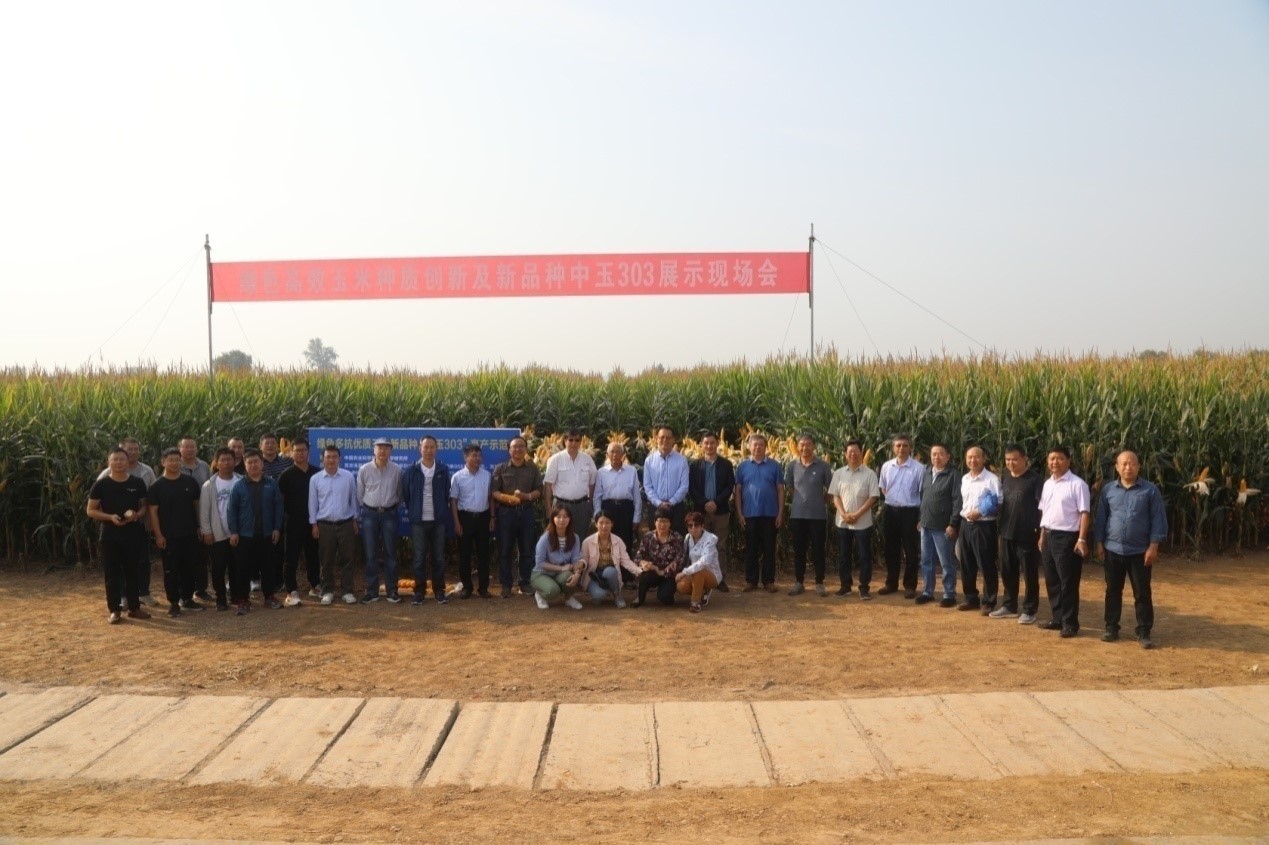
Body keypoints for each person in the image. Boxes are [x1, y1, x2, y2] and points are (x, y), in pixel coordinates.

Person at [1095, 449, 1168, 649]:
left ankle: (1144, 631)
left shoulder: (1150, 490)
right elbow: (1101, 517)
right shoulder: (1108, 490)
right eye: (1124, 464)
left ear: (1139, 467)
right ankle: (1111, 627)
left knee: (1142, 593)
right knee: (1112, 591)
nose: (1128, 467)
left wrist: (1153, 546)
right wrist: (1099, 542)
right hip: (1113, 550)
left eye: (1132, 463)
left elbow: (1158, 519)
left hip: (1140, 552)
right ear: (1117, 467)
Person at [87, 446, 151, 623]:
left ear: (127, 461)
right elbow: (90, 510)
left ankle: (134, 608)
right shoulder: (101, 485)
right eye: (114, 459)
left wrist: (136, 515)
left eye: (122, 459)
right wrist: (109, 517)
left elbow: (144, 506)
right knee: (111, 573)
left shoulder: (137, 483)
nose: (118, 462)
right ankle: (114, 610)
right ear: (109, 462)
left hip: (133, 534)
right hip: (110, 536)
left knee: (133, 571)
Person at [1038, 445, 1092, 638]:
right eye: (1052, 458)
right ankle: (1057, 618)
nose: (1055, 462)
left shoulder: (1077, 484)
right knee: (1052, 580)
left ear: (1068, 461)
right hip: (1049, 536)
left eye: (1060, 458)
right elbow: (1045, 511)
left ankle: (1070, 623)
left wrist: (1082, 539)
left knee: (1067, 582)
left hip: (1067, 538)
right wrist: (1042, 536)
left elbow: (1084, 513)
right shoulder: (1047, 484)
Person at [97, 437, 158, 607]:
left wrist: (142, 517)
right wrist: (109, 517)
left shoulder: (146, 471)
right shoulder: (106, 474)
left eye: (135, 449)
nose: (132, 452)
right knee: (120, 564)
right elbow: (96, 501)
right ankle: (123, 596)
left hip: (140, 524)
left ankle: (144, 593)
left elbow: (152, 498)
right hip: (114, 528)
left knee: (143, 560)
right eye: (129, 449)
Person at [148, 447, 205, 617]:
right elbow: (153, 512)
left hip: (189, 534)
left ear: (181, 462)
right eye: (170, 460)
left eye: (177, 460)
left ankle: (187, 598)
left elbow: (196, 505)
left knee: (189, 567)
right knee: (171, 570)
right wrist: (158, 535)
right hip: (169, 536)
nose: (174, 463)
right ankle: (173, 602)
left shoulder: (190, 482)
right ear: (163, 462)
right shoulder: (157, 486)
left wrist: (199, 526)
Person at [226, 449, 284, 615]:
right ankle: (243, 600)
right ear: (245, 465)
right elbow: (231, 510)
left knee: (268, 567)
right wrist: (234, 531)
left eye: (256, 462)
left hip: (266, 534)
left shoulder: (271, 484)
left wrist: (276, 528)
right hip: (244, 535)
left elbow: (278, 507)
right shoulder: (238, 486)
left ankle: (269, 597)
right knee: (243, 568)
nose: (253, 465)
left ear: (262, 463)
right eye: (249, 462)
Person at [993, 444, 1043, 623]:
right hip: (1006, 532)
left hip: (1027, 534)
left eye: (1014, 459)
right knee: (1007, 570)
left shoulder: (1035, 480)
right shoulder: (1005, 479)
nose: (1011, 463)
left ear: (1024, 459)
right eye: (1007, 460)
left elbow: (1042, 507)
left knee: (1029, 573)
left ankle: (1029, 610)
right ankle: (1009, 605)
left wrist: (1040, 532)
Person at [401, 435, 451, 605]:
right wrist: (416, 511)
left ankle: (439, 591)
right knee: (419, 558)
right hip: (419, 522)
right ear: (420, 448)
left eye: (432, 447)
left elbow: (446, 494)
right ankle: (419, 591)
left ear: (436, 449)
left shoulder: (443, 470)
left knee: (438, 558)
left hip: (438, 522)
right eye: (426, 447)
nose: (429, 450)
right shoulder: (411, 470)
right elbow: (406, 495)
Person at [492, 436, 543, 598]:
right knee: (505, 550)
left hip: (526, 511)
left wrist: (527, 496)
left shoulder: (532, 468)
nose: (518, 449)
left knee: (526, 550)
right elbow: (494, 491)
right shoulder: (501, 468)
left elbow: (539, 490)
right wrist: (507, 498)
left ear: (526, 449)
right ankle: (506, 585)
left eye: (521, 446)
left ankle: (524, 583)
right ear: (509, 450)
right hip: (506, 513)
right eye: (514, 447)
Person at [309, 444, 360, 606]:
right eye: (328, 457)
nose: (331, 460)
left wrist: (355, 519)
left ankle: (347, 591)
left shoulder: (348, 476)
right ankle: (327, 591)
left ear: (339, 459)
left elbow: (353, 499)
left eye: (334, 457)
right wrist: (313, 524)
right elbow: (312, 504)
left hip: (346, 524)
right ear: (323, 459)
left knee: (348, 559)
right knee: (326, 560)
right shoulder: (315, 479)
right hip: (324, 525)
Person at [829, 440, 879, 599]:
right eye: (850, 452)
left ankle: (864, 587)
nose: (853, 454)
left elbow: (873, 497)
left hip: (862, 522)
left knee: (864, 556)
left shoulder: (869, 474)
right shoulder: (839, 473)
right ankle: (845, 586)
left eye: (856, 451)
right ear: (845, 454)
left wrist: (857, 514)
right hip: (843, 522)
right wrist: (843, 514)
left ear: (861, 453)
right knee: (844, 555)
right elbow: (835, 496)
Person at [735, 432, 785, 592]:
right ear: (749, 447)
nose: (758, 447)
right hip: (749, 514)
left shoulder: (775, 466)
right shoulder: (742, 466)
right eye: (755, 445)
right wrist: (739, 513)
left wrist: (780, 513)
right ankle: (751, 581)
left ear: (766, 447)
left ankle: (768, 581)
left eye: (761, 445)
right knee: (751, 549)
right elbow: (738, 491)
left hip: (770, 514)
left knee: (769, 548)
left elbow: (780, 489)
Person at [785, 433, 832, 596]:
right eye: (802, 445)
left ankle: (819, 583)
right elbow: (790, 487)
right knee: (799, 550)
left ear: (814, 446)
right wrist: (800, 500)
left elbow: (830, 489)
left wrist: (820, 501)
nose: (805, 448)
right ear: (798, 446)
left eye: (808, 444)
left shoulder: (823, 466)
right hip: (797, 515)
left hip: (818, 516)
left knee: (818, 549)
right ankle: (799, 582)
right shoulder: (792, 466)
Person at [358, 436, 404, 603]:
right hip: (369, 514)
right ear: (374, 450)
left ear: (391, 451)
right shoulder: (364, 469)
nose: (383, 451)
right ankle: (372, 591)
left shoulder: (397, 470)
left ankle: (392, 590)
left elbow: (400, 494)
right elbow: (360, 495)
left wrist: (389, 507)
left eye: (386, 448)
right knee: (371, 553)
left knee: (391, 553)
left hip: (389, 514)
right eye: (379, 447)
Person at [688, 432, 735, 592]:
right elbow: (692, 488)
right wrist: (704, 503)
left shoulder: (726, 464)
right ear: (701, 445)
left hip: (720, 511)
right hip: (701, 513)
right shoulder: (695, 465)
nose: (709, 446)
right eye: (706, 443)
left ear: (717, 444)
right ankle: (702, 578)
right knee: (700, 545)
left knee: (719, 546)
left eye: (712, 443)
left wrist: (716, 502)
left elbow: (729, 486)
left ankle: (720, 579)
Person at [916, 443, 961, 607]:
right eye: (934, 454)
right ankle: (928, 592)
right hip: (926, 525)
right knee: (926, 561)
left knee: (946, 562)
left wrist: (953, 523)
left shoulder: (953, 475)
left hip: (943, 527)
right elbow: (923, 497)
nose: (937, 457)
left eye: (941, 454)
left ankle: (949, 594)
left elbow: (957, 501)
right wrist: (921, 519)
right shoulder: (927, 472)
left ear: (948, 456)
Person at [878, 434, 924, 598]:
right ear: (893, 448)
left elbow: (922, 492)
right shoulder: (886, 466)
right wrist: (894, 500)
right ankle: (891, 583)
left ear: (910, 447)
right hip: (891, 512)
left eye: (905, 445)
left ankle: (910, 586)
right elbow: (883, 487)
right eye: (898, 445)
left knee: (911, 550)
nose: (901, 448)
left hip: (910, 512)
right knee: (891, 549)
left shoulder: (918, 468)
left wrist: (920, 516)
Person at [958, 445, 1002, 613]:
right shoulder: (965, 479)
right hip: (965, 525)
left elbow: (999, 503)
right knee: (966, 564)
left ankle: (989, 601)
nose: (973, 460)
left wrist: (981, 512)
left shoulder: (991, 479)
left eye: (976, 457)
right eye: (969, 457)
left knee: (986, 564)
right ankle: (971, 598)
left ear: (984, 459)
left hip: (984, 526)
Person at [277, 439, 321, 606]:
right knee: (291, 557)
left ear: (308, 452)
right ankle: (291, 590)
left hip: (313, 521)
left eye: (303, 450)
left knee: (313, 555)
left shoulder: (317, 473)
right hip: (293, 522)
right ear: (291, 453)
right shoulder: (286, 475)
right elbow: (280, 501)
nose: (300, 453)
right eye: (297, 450)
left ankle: (315, 585)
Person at [449, 442, 494, 599]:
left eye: (479, 455)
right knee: (464, 555)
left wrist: (492, 517)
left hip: (483, 518)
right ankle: (467, 587)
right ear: (465, 457)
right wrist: (456, 523)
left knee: (483, 554)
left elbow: (491, 498)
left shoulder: (487, 475)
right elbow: (453, 501)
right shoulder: (457, 477)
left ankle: (483, 588)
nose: (477, 458)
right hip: (465, 518)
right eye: (474, 455)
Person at [199, 448, 240, 610]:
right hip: (217, 533)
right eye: (222, 460)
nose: (226, 463)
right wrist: (207, 531)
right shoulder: (209, 485)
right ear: (216, 463)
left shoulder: (241, 481)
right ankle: (221, 598)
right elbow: (204, 510)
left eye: (229, 459)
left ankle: (236, 595)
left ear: (235, 461)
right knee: (218, 568)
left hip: (237, 533)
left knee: (236, 566)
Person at [177, 436, 213, 602]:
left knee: (201, 555)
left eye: (193, 447)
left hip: (202, 514)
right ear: (180, 449)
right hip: (182, 516)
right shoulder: (174, 465)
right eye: (186, 447)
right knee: (184, 555)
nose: (190, 450)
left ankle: (201, 588)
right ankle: (184, 591)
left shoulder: (204, 466)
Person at [530, 505, 586, 610]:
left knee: (570, 576)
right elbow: (540, 563)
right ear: (553, 518)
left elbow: (575, 560)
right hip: (541, 573)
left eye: (565, 516)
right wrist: (561, 568)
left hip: (560, 575)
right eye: (558, 516)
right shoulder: (545, 538)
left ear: (570, 519)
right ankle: (540, 594)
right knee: (552, 590)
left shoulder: (575, 538)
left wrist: (577, 574)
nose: (562, 520)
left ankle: (568, 598)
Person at [579, 510, 639, 608]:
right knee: (599, 595)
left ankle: (617, 596)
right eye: (601, 523)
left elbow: (626, 561)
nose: (604, 526)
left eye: (607, 523)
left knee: (610, 571)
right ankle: (600, 592)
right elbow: (584, 559)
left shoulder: (618, 541)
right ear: (596, 524)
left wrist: (639, 571)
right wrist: (580, 564)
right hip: (593, 575)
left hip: (610, 573)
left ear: (612, 524)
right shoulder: (587, 542)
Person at [592, 442, 642, 558]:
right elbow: (597, 496)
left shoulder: (631, 471)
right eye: (612, 452)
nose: (615, 455)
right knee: (608, 540)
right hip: (608, 508)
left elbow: (637, 496)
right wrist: (597, 515)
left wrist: (637, 517)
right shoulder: (601, 472)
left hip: (626, 509)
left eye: (618, 452)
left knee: (626, 541)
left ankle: (625, 567)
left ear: (623, 454)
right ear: (608, 455)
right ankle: (610, 566)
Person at [543, 429, 597, 537]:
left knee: (580, 537)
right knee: (560, 538)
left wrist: (589, 504)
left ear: (580, 442)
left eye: (577, 440)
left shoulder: (587, 459)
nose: (573, 443)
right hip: (561, 505)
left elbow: (592, 484)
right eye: (570, 440)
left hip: (581, 506)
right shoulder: (555, 459)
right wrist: (548, 508)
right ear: (565, 441)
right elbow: (548, 485)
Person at [633, 506, 685, 606]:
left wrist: (662, 572)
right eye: (659, 521)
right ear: (654, 522)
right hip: (653, 571)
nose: (662, 525)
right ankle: (640, 598)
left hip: (670, 574)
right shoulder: (648, 537)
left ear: (670, 523)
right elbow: (638, 557)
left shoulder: (677, 538)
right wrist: (643, 563)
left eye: (665, 521)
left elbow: (680, 561)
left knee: (664, 597)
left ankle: (668, 593)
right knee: (644, 576)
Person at [642, 425, 690, 534]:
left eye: (668, 437)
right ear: (656, 439)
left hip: (676, 507)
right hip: (655, 507)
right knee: (655, 539)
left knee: (677, 538)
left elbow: (684, 486)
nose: (665, 440)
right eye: (662, 437)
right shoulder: (649, 461)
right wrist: (659, 503)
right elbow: (647, 486)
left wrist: (671, 502)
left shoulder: (682, 460)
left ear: (673, 440)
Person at [678, 511, 723, 612]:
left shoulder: (711, 539)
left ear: (702, 526)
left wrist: (684, 572)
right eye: (690, 525)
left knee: (698, 572)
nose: (693, 528)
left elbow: (704, 562)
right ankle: (702, 591)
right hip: (693, 573)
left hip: (711, 574)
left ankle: (695, 603)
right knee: (681, 586)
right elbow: (685, 557)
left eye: (696, 525)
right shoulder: (687, 538)